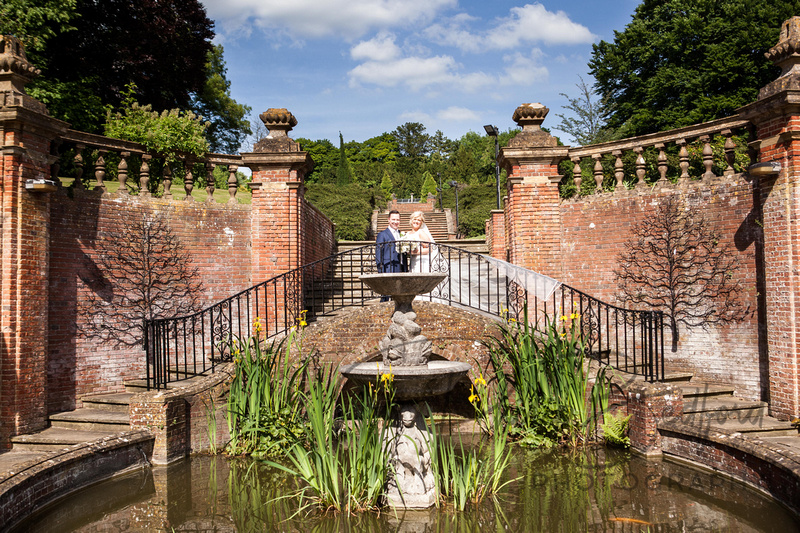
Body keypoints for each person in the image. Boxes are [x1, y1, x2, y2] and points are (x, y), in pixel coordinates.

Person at [375, 210, 405, 301]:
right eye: (393, 219)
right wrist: (380, 269)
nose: (396, 222)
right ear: (388, 220)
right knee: (386, 295)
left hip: (400, 267)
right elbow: (378, 253)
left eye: (398, 220)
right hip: (388, 267)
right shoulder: (382, 234)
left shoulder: (402, 234)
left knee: (398, 294)